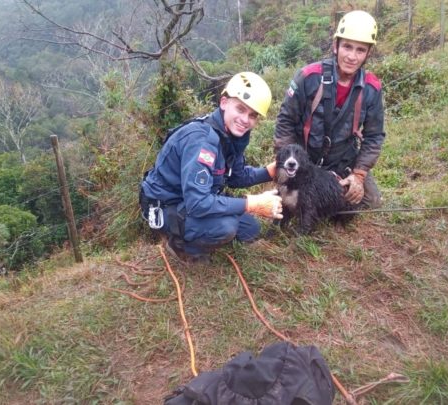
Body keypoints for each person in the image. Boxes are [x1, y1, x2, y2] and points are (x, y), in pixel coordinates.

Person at [140, 72, 283, 263]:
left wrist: (269, 172)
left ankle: (198, 231)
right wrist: (252, 204)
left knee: (250, 229)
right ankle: (181, 247)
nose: (245, 120)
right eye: (240, 109)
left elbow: (236, 176)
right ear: (224, 103)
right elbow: (198, 203)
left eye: (252, 115)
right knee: (226, 227)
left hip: (191, 199)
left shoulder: (231, 135)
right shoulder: (202, 140)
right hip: (166, 206)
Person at [274, 10, 385, 208]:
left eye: (360, 50)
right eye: (347, 47)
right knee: (292, 201)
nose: (352, 56)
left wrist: (358, 175)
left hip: (341, 161)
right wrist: (287, 164)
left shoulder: (371, 88)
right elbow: (285, 122)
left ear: (368, 53)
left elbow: (374, 136)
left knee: (369, 201)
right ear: (336, 46)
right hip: (304, 160)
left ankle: (327, 194)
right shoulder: (309, 76)